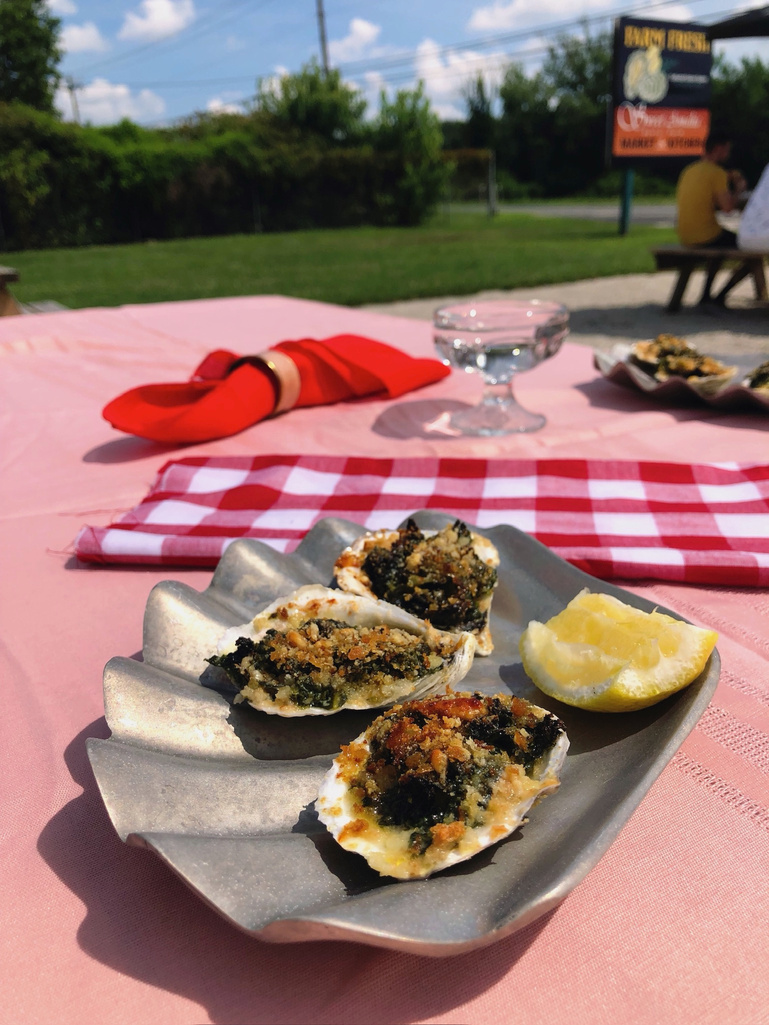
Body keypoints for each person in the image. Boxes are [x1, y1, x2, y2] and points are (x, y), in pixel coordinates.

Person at [676, 131, 749, 306]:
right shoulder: (717, 173)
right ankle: (720, 296)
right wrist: (739, 188)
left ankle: (706, 296)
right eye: (726, 149)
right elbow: (728, 208)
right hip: (706, 235)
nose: (728, 154)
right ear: (718, 149)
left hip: (685, 235)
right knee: (752, 251)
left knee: (720, 246)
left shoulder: (690, 170)